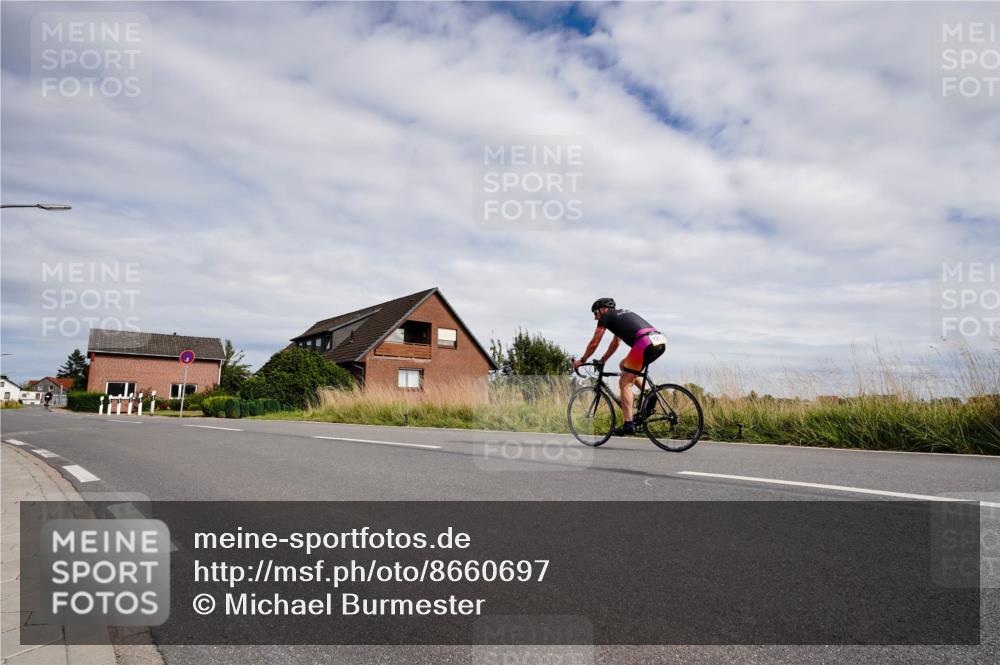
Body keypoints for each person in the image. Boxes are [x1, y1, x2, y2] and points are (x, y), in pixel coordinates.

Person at [571, 298, 667, 436]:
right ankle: (648, 394)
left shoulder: (606, 316)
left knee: (624, 382)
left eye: (596, 313)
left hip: (644, 343)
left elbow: (594, 342)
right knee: (624, 365)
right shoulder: (620, 315)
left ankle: (628, 424)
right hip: (659, 341)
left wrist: (582, 360)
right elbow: (616, 342)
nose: (595, 317)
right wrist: (603, 359)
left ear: (603, 309)